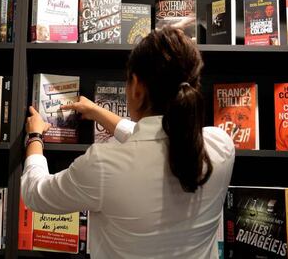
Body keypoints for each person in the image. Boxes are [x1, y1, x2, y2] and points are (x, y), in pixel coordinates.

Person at [21, 26, 235, 258]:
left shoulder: (103, 164)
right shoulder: (221, 146)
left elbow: (35, 193)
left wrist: (35, 136)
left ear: (136, 87)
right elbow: (152, 139)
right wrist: (97, 111)